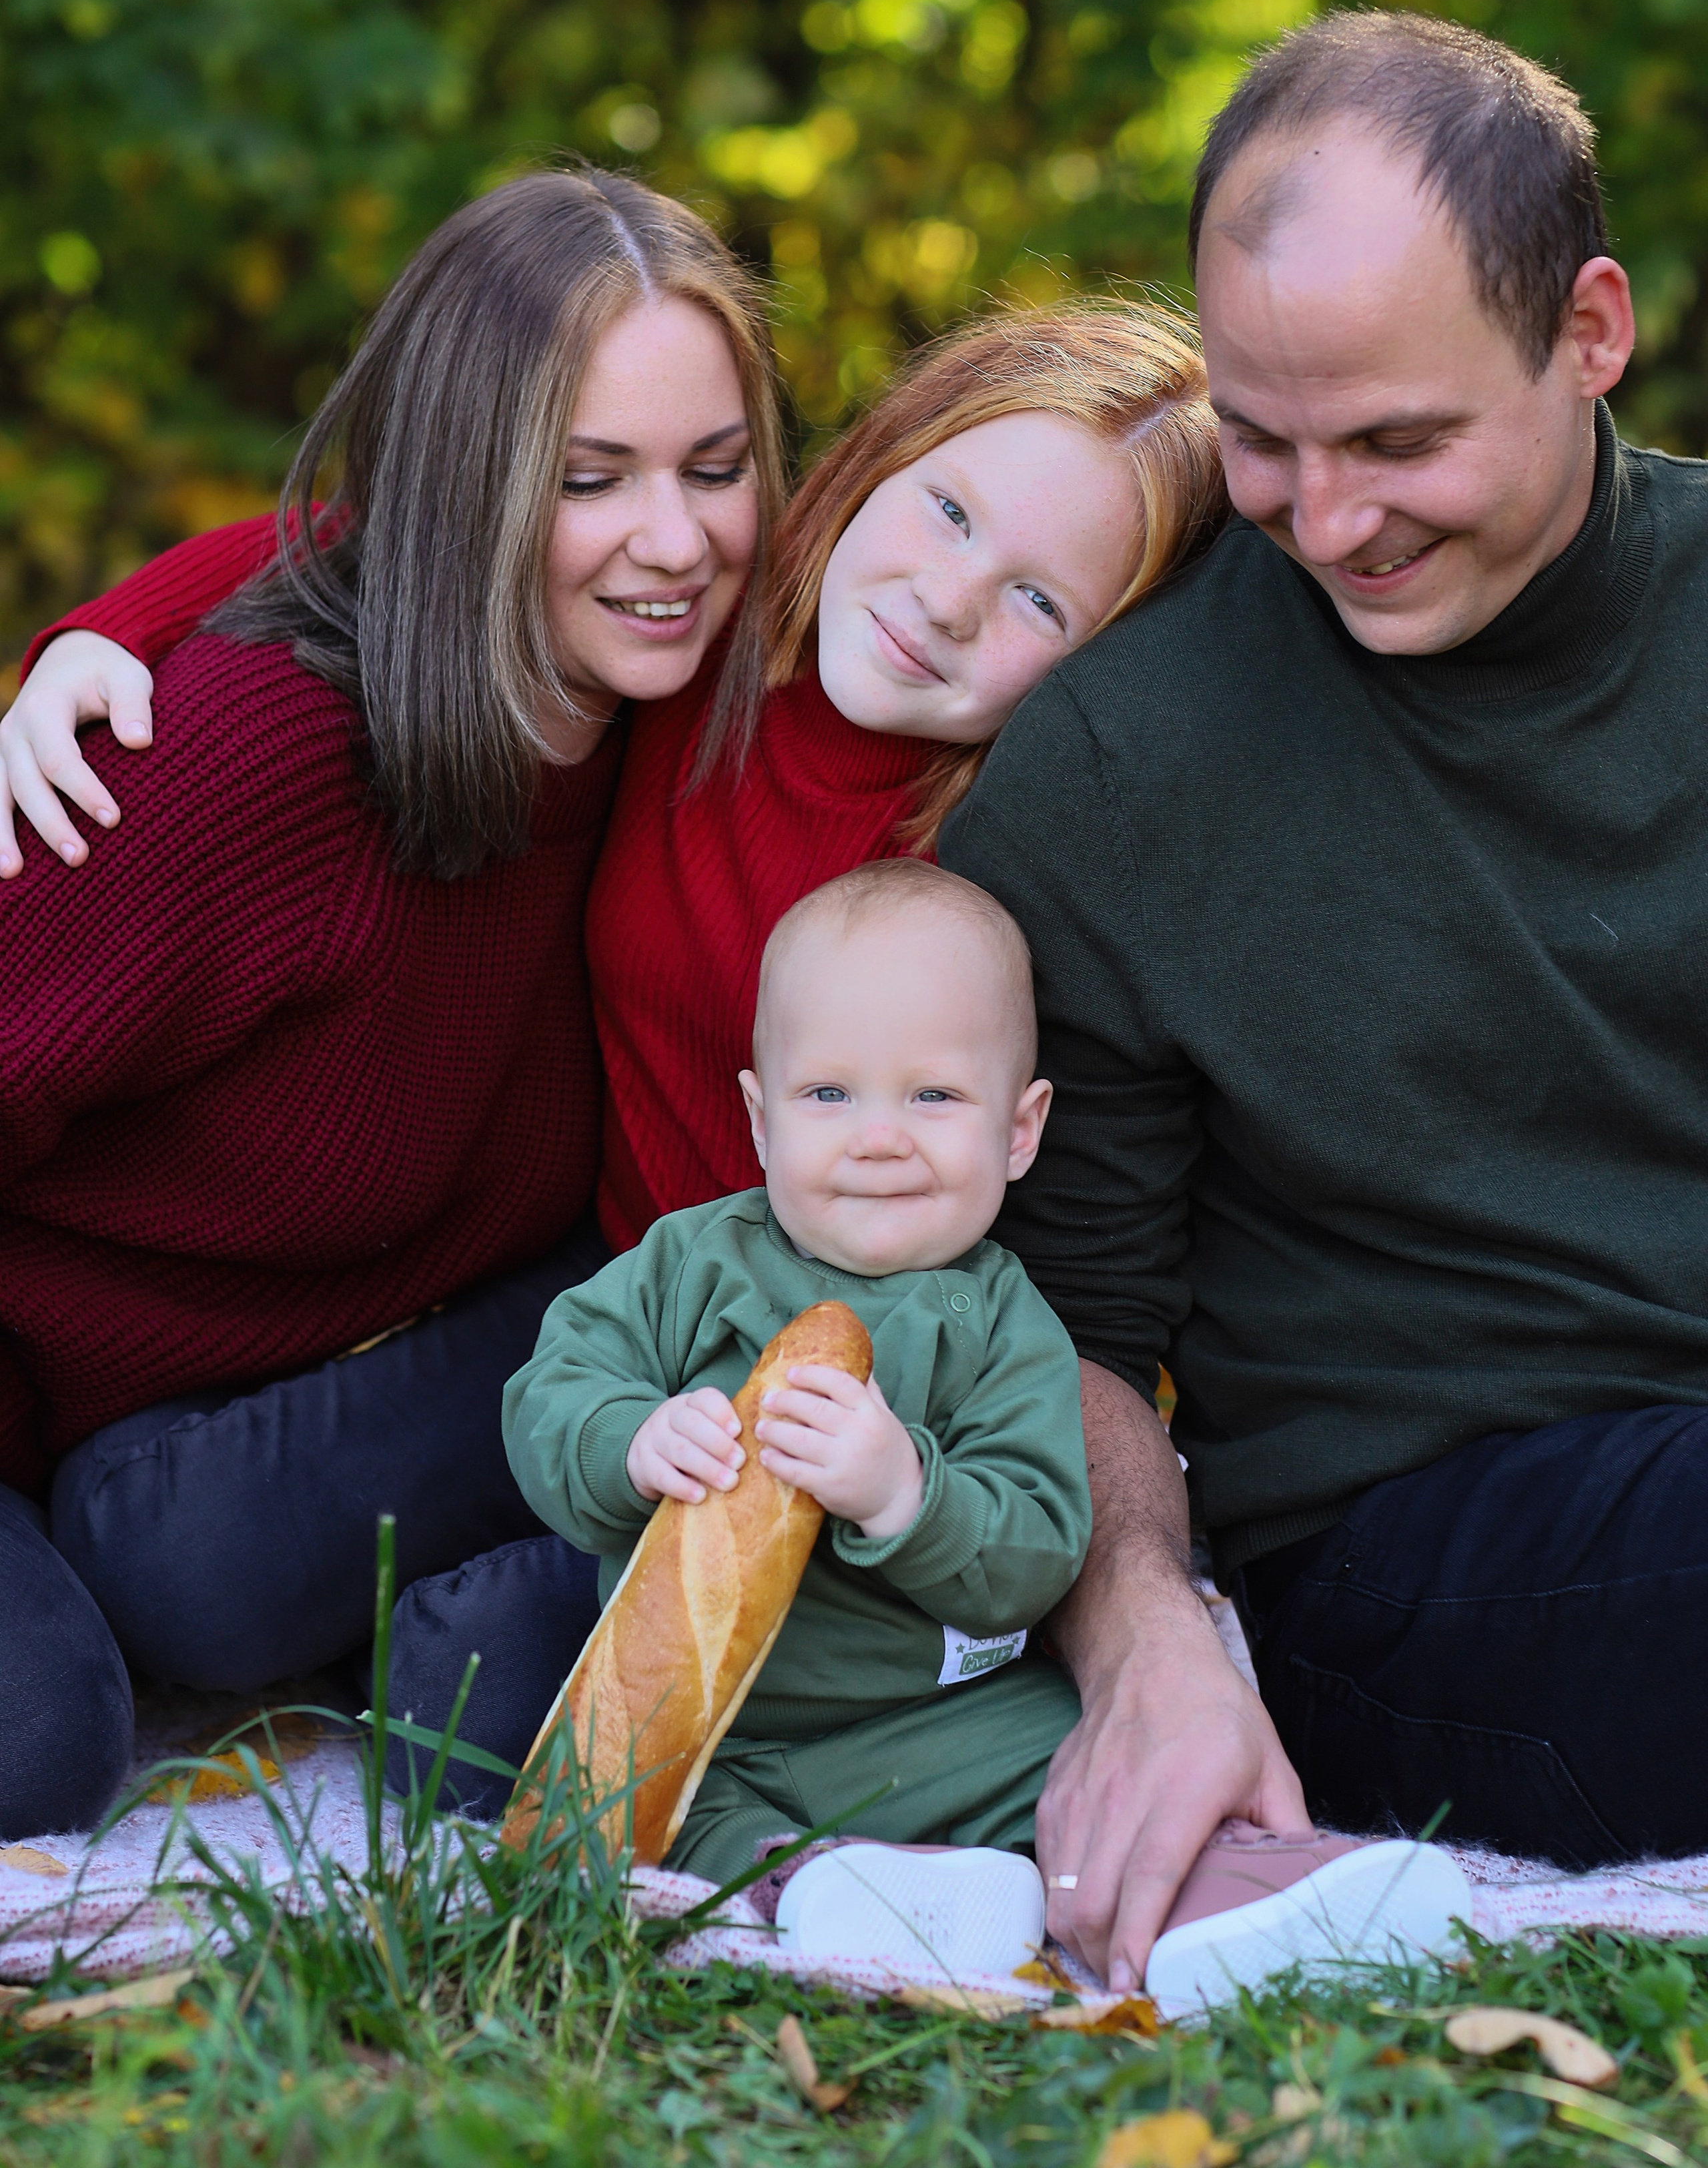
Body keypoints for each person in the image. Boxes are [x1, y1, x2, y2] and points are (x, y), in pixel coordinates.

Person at [2, 298, 1226, 1825]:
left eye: (1040, 603)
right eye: (949, 509)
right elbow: (389, 537)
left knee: (464, 1711)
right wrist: (106, 635)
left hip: (819, 1371)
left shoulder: (984, 862)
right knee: (177, 1560)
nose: (947, 597)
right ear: (877, 464)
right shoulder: (710, 637)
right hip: (610, 1285)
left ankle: (516, 1622)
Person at [940, 9, 1708, 1992]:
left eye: (1399, 442)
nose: (1330, 521)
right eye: (1262, 442)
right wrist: (1145, 1641)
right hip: (1428, 1557)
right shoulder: (1123, 760)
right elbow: (1054, 1320)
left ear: (1592, 329)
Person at [0, 164, 791, 1838]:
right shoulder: (246, 762)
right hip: (33, 1385)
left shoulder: (687, 710)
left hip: (194, 1437)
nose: (676, 541)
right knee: (35, 1751)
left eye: (715, 470)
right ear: (472, 486)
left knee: (198, 1584)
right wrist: (113, 638)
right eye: (593, 480)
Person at [506, 859, 1091, 1884]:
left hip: (933, 1721)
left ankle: (1214, 1877)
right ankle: (795, 1878)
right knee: (627, 1796)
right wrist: (630, 1444)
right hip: (713, 1728)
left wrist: (905, 1492)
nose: (877, 1138)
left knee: (1075, 1746)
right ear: (762, 1118)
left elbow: (1038, 1548)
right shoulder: (692, 1262)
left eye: (935, 1094)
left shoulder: (1005, 1323)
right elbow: (549, 1393)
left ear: (1019, 1131)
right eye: (828, 1092)